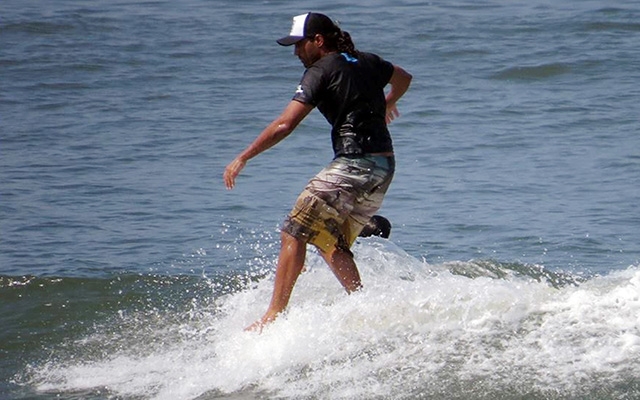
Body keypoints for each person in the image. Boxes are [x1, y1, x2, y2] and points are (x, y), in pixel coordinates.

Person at [223, 12, 412, 331]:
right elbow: (404, 77)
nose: (296, 53)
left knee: (293, 230)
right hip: (383, 167)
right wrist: (387, 103)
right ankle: (363, 306)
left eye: (299, 45)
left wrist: (243, 157)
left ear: (318, 41)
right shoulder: (367, 61)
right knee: (328, 241)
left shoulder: (320, 70)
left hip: (354, 164)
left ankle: (272, 317)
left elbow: (285, 124)